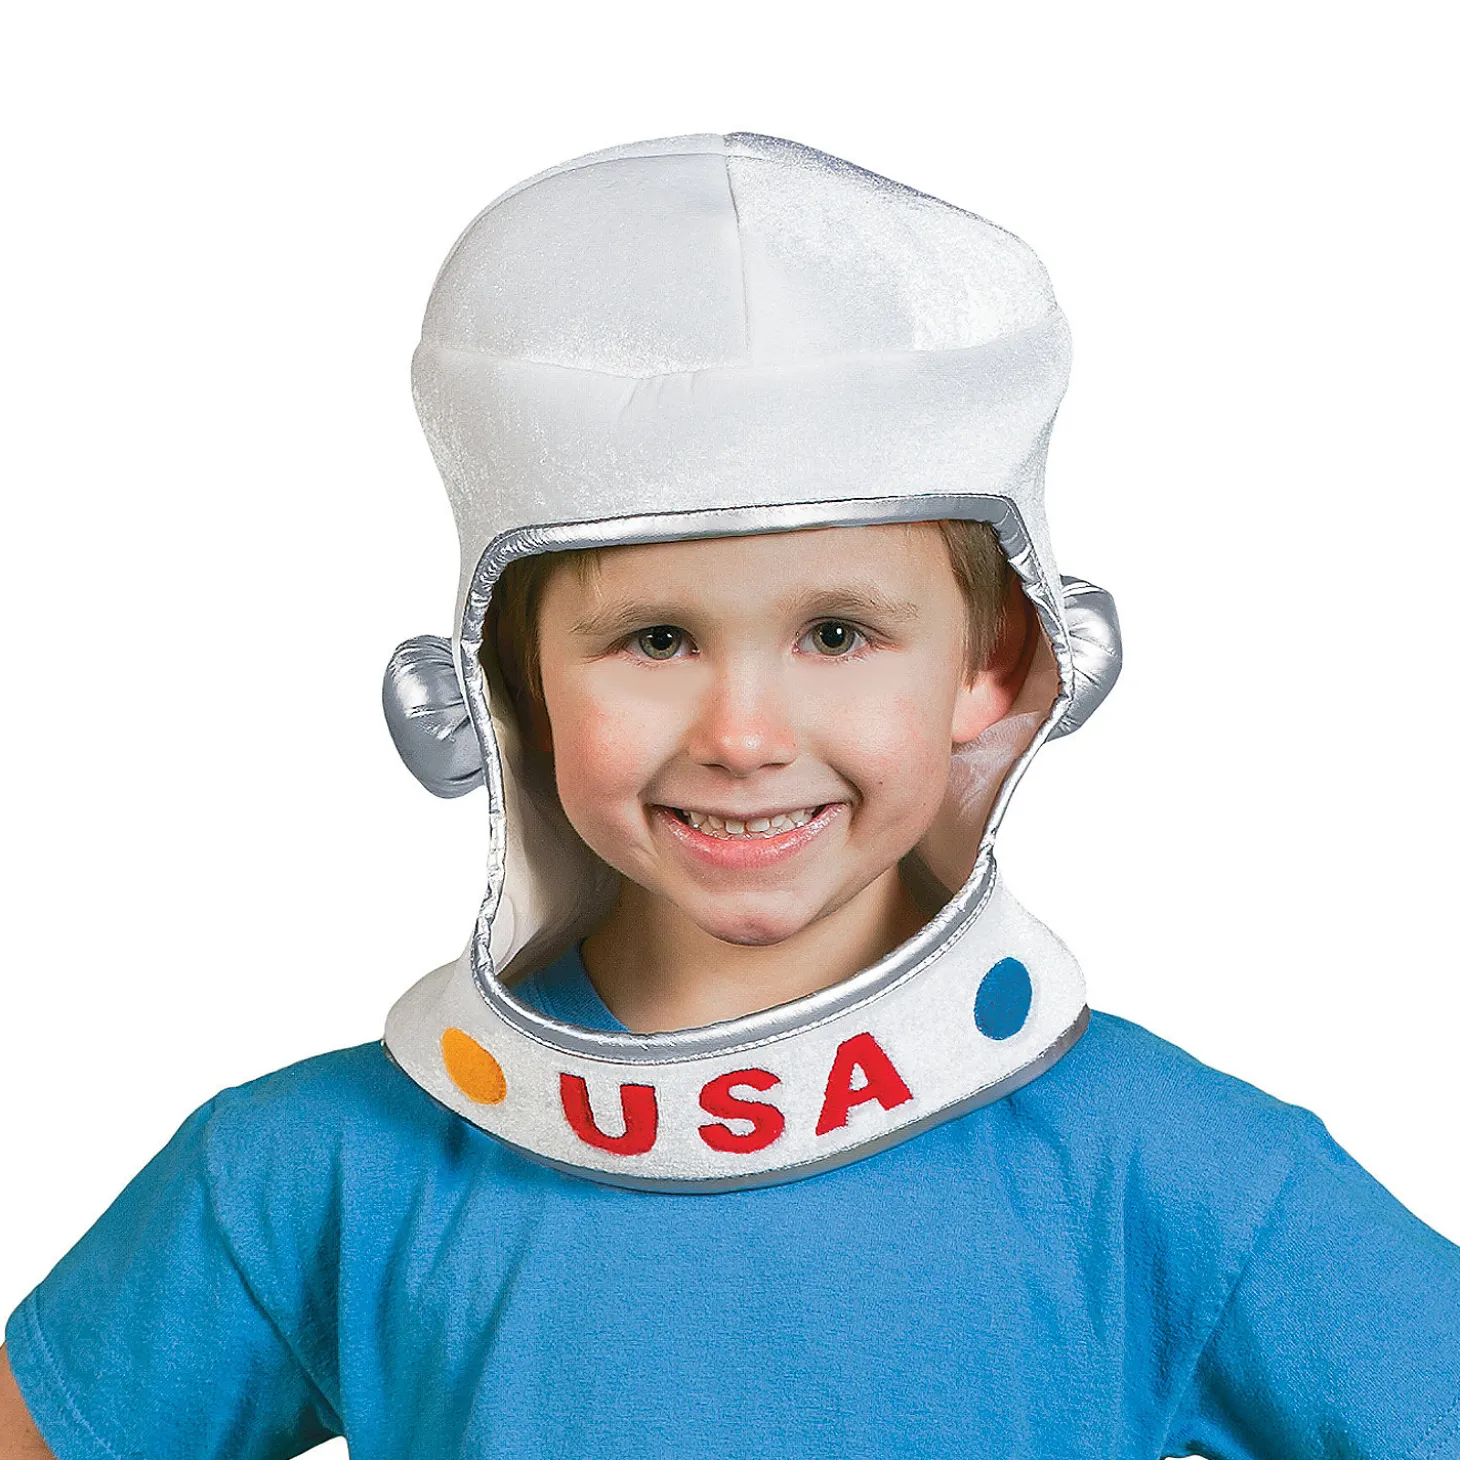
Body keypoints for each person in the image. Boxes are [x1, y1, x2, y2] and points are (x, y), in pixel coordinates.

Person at [4, 132, 1459, 1459]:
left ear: (1001, 662)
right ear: (504, 687)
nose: (745, 735)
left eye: (836, 633)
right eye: (654, 640)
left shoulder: (1177, 1176)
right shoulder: (309, 1171)